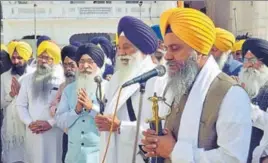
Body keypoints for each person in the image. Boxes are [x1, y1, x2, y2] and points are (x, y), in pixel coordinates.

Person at [141, 7, 252, 163]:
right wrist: (157, 143)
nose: (167, 56)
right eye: (166, 48)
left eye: (175, 48)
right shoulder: (181, 83)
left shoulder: (231, 94)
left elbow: (233, 158)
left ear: (199, 51)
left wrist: (175, 151)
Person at [95, 16, 158, 163]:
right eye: (119, 47)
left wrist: (121, 127)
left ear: (141, 49)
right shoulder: (117, 78)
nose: (121, 52)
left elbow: (158, 130)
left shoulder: (156, 79)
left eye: (127, 47)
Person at [16, 40, 64, 163]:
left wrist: (50, 123)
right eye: (41, 57)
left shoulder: (62, 80)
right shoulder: (27, 79)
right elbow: (21, 104)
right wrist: (29, 123)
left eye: (48, 58)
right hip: (33, 132)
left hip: (53, 132)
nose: (43, 61)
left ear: (55, 60)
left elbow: (65, 107)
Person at [55, 43, 105, 163]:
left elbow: (112, 121)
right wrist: (76, 111)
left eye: (90, 61)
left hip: (98, 155)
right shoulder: (69, 89)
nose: (85, 66)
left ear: (98, 64)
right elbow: (60, 120)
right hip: (74, 155)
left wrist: (91, 108)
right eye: (81, 61)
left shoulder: (108, 88)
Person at [1, 41, 34, 163]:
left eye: (20, 58)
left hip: (29, 127)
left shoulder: (34, 75)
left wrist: (23, 94)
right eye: (13, 58)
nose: (16, 61)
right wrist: (11, 95)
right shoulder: (4, 77)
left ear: (27, 57)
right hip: (11, 131)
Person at [237, 38, 268, 163]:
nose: (248, 65)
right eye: (246, 60)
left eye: (253, 60)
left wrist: (243, 104)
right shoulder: (240, 84)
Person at [49, 44, 78, 163]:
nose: (68, 69)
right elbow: (52, 107)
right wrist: (57, 110)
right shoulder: (62, 86)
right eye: (65, 65)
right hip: (67, 134)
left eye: (71, 65)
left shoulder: (87, 85)